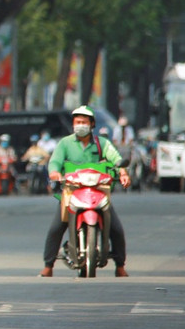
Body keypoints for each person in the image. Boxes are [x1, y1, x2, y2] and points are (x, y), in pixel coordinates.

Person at [41, 105, 131, 278]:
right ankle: (48, 265)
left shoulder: (102, 143)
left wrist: (123, 172)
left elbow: (116, 158)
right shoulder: (65, 143)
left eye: (83, 122)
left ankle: (120, 265)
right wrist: (54, 172)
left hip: (98, 191)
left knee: (117, 229)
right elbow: (55, 162)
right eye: (77, 122)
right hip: (71, 191)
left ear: (92, 125)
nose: (80, 125)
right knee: (56, 228)